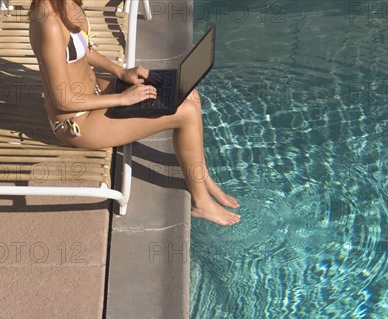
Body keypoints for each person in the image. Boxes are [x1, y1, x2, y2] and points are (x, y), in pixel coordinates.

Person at [28, 0, 240, 226]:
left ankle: (200, 175)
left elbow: (82, 49)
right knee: (185, 113)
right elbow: (63, 100)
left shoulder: (68, 4)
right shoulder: (48, 22)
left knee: (189, 95)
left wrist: (121, 72)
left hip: (95, 93)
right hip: (77, 121)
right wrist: (123, 98)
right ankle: (201, 203)